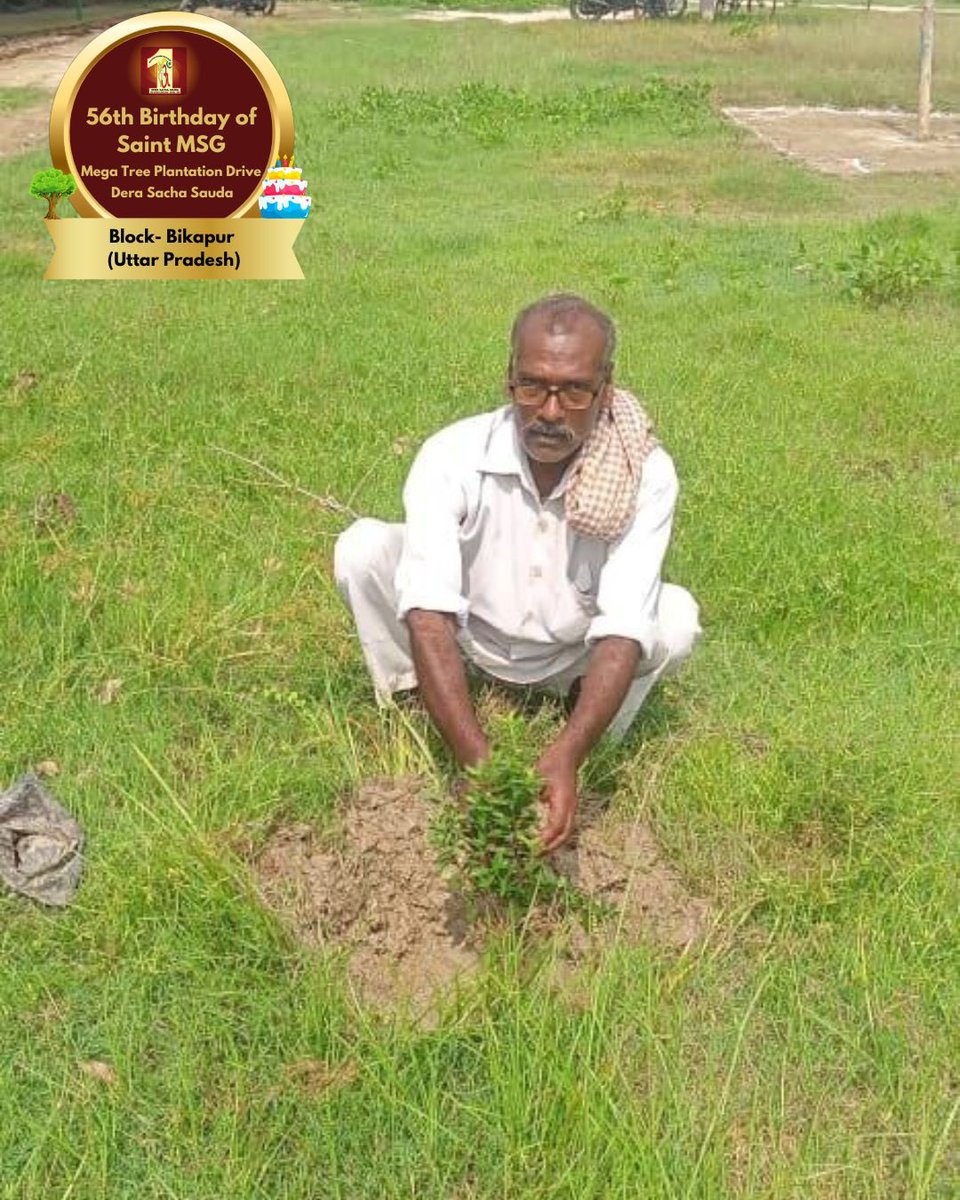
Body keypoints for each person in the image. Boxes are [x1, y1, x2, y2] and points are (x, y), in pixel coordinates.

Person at [334, 294, 701, 851]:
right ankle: (414, 694)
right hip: (468, 642)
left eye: (575, 390)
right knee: (362, 549)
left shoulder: (643, 472)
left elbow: (624, 625)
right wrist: (476, 762)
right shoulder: (452, 454)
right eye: (533, 387)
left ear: (605, 388)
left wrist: (567, 756)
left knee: (674, 620)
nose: (550, 412)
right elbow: (429, 612)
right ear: (509, 380)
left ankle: (581, 725)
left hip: (568, 655)